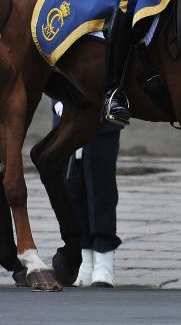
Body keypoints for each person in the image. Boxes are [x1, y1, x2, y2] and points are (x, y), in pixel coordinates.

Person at [52, 100, 122, 288]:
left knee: (101, 188)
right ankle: (85, 260)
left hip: (102, 113)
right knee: (72, 189)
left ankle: (103, 260)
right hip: (67, 116)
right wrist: (58, 102)